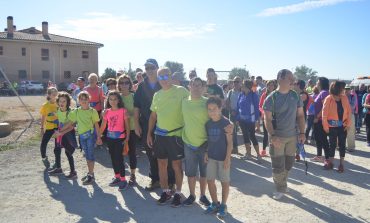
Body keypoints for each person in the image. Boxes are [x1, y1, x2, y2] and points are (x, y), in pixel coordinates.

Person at [147, 67, 189, 207]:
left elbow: (193, 105)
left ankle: (177, 193)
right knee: (162, 164)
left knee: (176, 165)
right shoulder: (157, 95)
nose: (164, 80)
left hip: (175, 135)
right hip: (160, 136)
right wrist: (149, 133)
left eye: (166, 77)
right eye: (161, 77)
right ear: (158, 79)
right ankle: (165, 192)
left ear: (171, 77)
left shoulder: (181, 91)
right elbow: (153, 116)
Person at [263, 69, 305, 200]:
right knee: (278, 164)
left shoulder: (295, 96)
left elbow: (300, 115)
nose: (293, 81)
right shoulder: (271, 98)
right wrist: (273, 136)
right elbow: (267, 119)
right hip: (277, 137)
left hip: (292, 136)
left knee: (289, 163)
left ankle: (282, 183)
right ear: (280, 79)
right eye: (290, 78)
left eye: (293, 79)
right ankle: (280, 187)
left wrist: (302, 132)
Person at [134, 59, 175, 191]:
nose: (149, 70)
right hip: (146, 125)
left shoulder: (164, 83)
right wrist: (136, 124)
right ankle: (155, 179)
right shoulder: (141, 86)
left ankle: (170, 182)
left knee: (167, 154)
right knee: (151, 153)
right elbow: (136, 106)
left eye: (152, 67)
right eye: (147, 68)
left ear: (157, 68)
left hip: (164, 124)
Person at [57, 91, 102, 185]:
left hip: (90, 136)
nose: (83, 101)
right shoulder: (76, 111)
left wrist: (99, 137)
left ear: (89, 100)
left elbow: (96, 125)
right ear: (78, 101)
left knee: (90, 156)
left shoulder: (92, 111)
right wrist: (60, 132)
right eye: (81, 99)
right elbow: (70, 122)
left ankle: (91, 175)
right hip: (81, 137)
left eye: (85, 99)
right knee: (87, 155)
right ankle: (90, 173)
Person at [181, 77, 211, 207]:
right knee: (190, 172)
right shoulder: (183, 102)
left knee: (204, 172)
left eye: (199, 85)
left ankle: (203, 195)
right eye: (194, 85)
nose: (196, 87)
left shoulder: (207, 103)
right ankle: (192, 195)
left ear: (203, 87)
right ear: (189, 86)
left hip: (204, 144)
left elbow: (216, 119)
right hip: (188, 143)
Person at [204, 97, 233, 218]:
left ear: (220, 108)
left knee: (224, 182)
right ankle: (215, 203)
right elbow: (208, 140)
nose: (212, 112)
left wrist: (227, 158)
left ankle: (223, 205)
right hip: (211, 157)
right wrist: (206, 152)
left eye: (214, 109)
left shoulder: (226, 123)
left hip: (223, 158)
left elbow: (230, 143)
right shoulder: (208, 123)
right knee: (210, 180)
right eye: (209, 109)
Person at [100, 90, 130, 190]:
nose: (113, 101)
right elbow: (104, 125)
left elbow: (127, 125)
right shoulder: (107, 112)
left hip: (120, 138)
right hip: (110, 138)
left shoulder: (123, 111)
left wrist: (127, 137)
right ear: (108, 100)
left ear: (118, 100)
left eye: (115, 99)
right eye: (111, 99)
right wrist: (98, 135)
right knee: (113, 158)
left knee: (119, 159)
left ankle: (123, 180)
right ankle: (117, 177)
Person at [322, 81, 351, 172]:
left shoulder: (344, 98)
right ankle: (331, 162)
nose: (344, 90)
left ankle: (341, 164)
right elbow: (324, 114)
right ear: (338, 89)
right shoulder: (328, 98)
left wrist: (348, 124)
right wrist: (326, 127)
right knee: (332, 145)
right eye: (342, 88)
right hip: (331, 127)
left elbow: (349, 112)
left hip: (342, 126)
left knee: (342, 145)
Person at [49, 92, 78, 179]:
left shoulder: (71, 112)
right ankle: (58, 168)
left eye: (64, 101)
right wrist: (54, 115)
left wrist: (60, 132)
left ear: (68, 102)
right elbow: (59, 116)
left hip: (67, 134)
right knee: (57, 150)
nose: (62, 103)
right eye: (60, 101)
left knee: (68, 152)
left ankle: (73, 172)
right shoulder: (59, 110)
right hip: (60, 132)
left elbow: (71, 126)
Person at [118, 75, 138, 186]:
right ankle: (121, 175)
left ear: (130, 84)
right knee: (119, 153)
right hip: (119, 130)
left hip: (132, 128)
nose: (124, 85)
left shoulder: (134, 96)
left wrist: (127, 114)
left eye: (126, 82)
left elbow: (138, 113)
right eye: (122, 82)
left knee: (132, 152)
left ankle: (133, 175)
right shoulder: (117, 97)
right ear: (119, 85)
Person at [236, 79, 261, 162]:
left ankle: (258, 155)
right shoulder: (240, 95)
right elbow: (238, 107)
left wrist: (257, 119)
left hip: (251, 120)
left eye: (242, 85)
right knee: (245, 136)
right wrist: (237, 118)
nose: (241, 86)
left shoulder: (254, 95)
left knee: (252, 136)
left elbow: (257, 108)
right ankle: (248, 154)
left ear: (247, 86)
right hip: (242, 120)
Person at [39, 87, 59, 169]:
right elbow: (43, 117)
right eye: (53, 94)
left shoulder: (59, 104)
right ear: (49, 95)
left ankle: (57, 162)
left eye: (56, 93)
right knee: (43, 143)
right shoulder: (45, 106)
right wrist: (41, 128)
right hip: (49, 127)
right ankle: (44, 158)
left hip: (57, 128)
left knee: (57, 146)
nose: (55, 95)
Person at [312, 77, 330, 162]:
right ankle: (319, 156)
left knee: (323, 139)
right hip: (319, 120)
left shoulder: (324, 93)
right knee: (318, 138)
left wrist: (317, 117)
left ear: (321, 83)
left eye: (318, 82)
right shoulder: (322, 92)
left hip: (320, 120)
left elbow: (324, 107)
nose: (316, 83)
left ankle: (327, 158)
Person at [259, 80, 277, 156]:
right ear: (267, 86)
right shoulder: (264, 95)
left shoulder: (276, 95)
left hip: (275, 118)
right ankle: (263, 150)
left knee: (274, 134)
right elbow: (260, 106)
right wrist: (263, 112)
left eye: (272, 85)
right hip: (266, 118)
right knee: (266, 134)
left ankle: (274, 151)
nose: (270, 87)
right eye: (269, 85)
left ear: (274, 86)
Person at [226, 76, 242, 153]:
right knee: (233, 132)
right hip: (232, 114)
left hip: (241, 115)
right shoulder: (230, 92)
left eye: (237, 81)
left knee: (245, 132)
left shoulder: (243, 92)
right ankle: (234, 148)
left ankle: (248, 150)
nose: (235, 83)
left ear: (241, 83)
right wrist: (231, 110)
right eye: (234, 82)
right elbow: (227, 103)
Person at [345, 85, 356, 152]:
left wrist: (345, 102)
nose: (347, 90)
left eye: (348, 89)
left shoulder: (352, 96)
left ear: (350, 89)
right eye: (345, 89)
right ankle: (339, 146)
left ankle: (351, 147)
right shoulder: (341, 96)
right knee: (340, 131)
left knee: (351, 131)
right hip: (341, 115)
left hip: (350, 115)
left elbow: (352, 106)